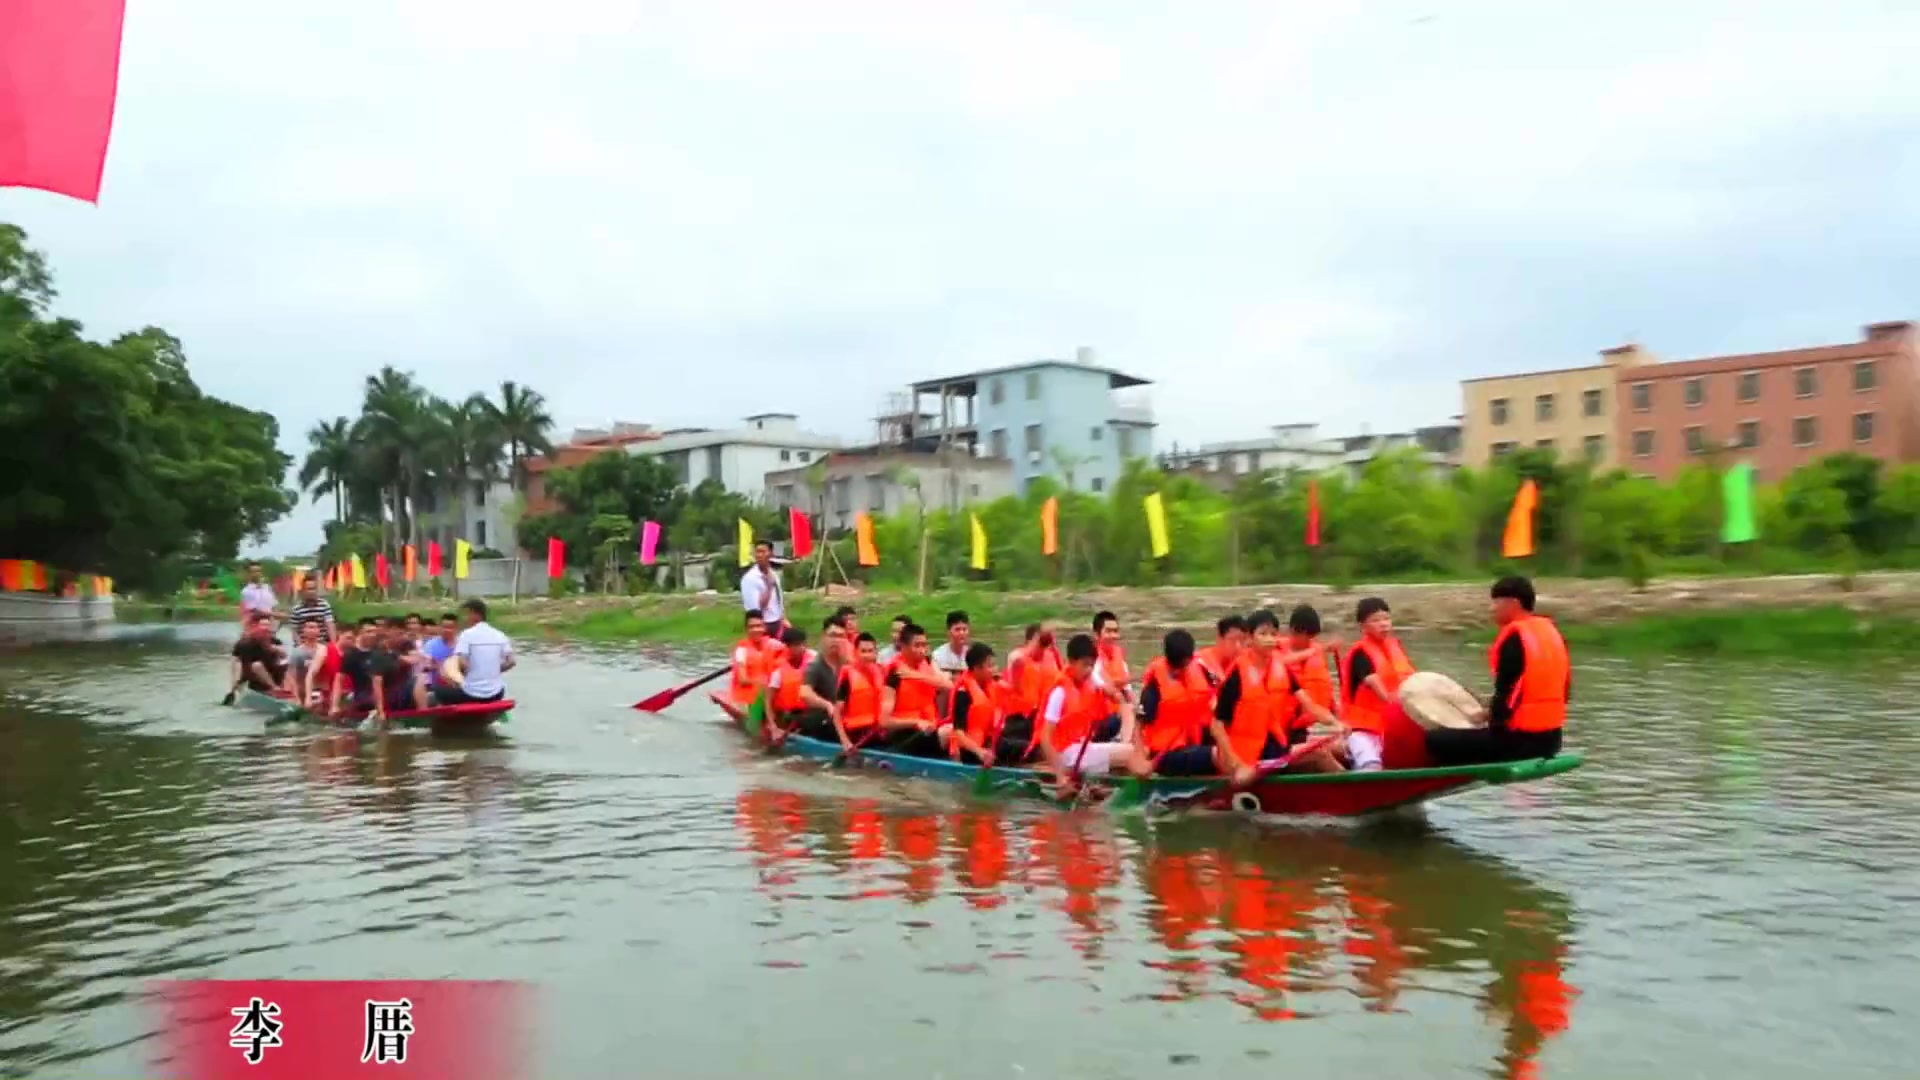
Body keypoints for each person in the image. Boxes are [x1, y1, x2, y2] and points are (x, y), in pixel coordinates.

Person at [1426, 576, 1568, 765]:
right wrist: (1489, 710)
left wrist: (1485, 718)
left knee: (1435, 739)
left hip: (1519, 742)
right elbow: (1558, 691)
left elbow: (1505, 696)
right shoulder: (1551, 633)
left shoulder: (1515, 637)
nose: (1491, 609)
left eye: (1496, 603)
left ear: (1513, 603)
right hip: (1552, 740)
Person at [1036, 633, 1147, 786]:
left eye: (1091, 665)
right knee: (1131, 753)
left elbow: (1115, 695)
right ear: (1071, 662)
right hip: (1066, 755)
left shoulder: (1089, 681)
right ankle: (1146, 789)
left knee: (1140, 751)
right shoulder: (1059, 692)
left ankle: (1115, 789)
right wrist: (1060, 775)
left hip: (1081, 749)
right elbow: (1045, 738)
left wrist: (1121, 698)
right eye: (1085, 664)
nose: (1089, 670)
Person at [1209, 609, 1297, 785]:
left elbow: (1306, 701)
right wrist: (1237, 764)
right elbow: (1216, 725)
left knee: (1321, 753)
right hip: (1242, 754)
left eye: (1273, 634)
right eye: (1263, 634)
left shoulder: (1280, 666)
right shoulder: (1237, 675)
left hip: (1270, 746)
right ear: (1249, 638)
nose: (1270, 639)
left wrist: (1334, 723)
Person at [1342, 598, 1414, 772]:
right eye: (1375, 620)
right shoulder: (1361, 653)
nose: (1383, 624)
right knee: (1372, 766)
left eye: (1386, 619)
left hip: (1391, 729)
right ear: (1363, 626)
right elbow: (1379, 688)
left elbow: (1414, 683)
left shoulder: (1396, 647)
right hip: (1363, 731)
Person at [1141, 629, 1221, 777]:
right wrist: (1141, 761)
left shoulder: (1203, 672)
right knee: (1218, 754)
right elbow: (1140, 726)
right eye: (1173, 667)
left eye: (1182, 666)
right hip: (1166, 754)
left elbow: (1218, 704)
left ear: (1190, 658)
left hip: (1196, 741)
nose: (1178, 671)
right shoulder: (1154, 686)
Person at [1277, 605, 1346, 773]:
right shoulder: (1273, 651)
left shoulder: (1315, 651)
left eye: (1312, 637)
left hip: (1300, 732)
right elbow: (1280, 663)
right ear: (1292, 630)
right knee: (1322, 754)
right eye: (1305, 636)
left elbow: (1326, 697)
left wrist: (1340, 719)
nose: (1309, 641)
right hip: (1279, 736)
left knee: (1343, 749)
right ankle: (1353, 787)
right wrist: (1317, 649)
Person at [880, 622, 949, 756]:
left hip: (928, 728)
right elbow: (884, 721)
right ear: (903, 647)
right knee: (947, 733)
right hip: (903, 736)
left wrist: (915, 675)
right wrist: (916, 722)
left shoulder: (927, 662)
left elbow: (949, 685)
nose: (922, 650)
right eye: (917, 645)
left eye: (924, 645)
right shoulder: (895, 675)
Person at [437, 597, 514, 705]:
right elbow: (511, 662)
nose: (464, 618)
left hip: (472, 694)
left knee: (438, 691)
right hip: (497, 693)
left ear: (474, 613)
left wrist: (458, 677)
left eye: (466, 614)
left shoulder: (467, 635)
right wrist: (494, 670)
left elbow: (463, 663)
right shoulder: (500, 635)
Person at [1000, 623, 1061, 758]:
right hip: (1018, 720)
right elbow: (1017, 660)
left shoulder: (1050, 657)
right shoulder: (1017, 656)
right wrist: (1034, 643)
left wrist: (1051, 643)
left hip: (1042, 719)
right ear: (1029, 641)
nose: (1042, 647)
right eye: (1040, 642)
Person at [943, 643, 1007, 766]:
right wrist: (980, 752)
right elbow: (958, 733)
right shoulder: (963, 693)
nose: (995, 669)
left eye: (994, 665)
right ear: (977, 668)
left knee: (1024, 746)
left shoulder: (989, 686)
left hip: (987, 742)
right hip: (968, 750)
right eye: (990, 666)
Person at [790, 615, 851, 741]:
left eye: (841, 637)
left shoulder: (850, 664)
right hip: (821, 720)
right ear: (824, 636)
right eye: (832, 635)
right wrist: (827, 705)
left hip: (844, 718)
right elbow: (805, 693)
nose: (836, 640)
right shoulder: (815, 665)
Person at [712, 610, 781, 719]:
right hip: (748, 699)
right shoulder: (741, 651)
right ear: (746, 629)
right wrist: (766, 683)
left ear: (764, 627)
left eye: (759, 626)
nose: (755, 630)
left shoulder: (774, 644)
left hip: (769, 695)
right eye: (751, 627)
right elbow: (743, 679)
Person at [831, 632, 887, 753]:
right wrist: (845, 741)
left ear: (876, 652)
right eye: (863, 651)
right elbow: (836, 714)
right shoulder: (848, 676)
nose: (867, 655)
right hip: (855, 733)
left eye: (870, 651)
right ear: (855, 653)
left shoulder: (882, 672)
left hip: (876, 731)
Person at [763, 627, 815, 745]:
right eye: (796, 645)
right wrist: (773, 726)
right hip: (789, 715)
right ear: (787, 647)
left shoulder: (814, 662)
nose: (801, 648)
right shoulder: (778, 671)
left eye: (803, 644)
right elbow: (768, 700)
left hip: (811, 712)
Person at [226, 613, 289, 699]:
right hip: (252, 676)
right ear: (256, 627)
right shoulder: (244, 643)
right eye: (263, 625)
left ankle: (285, 689)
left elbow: (284, 657)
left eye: (268, 625)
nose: (265, 628)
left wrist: (275, 649)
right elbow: (235, 662)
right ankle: (275, 688)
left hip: (272, 672)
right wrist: (234, 682)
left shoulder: (275, 642)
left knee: (288, 664)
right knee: (257, 665)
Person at [329, 618, 384, 718]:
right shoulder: (351, 655)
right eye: (368, 632)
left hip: (386, 693)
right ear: (360, 634)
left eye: (374, 632)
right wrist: (335, 706)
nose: (373, 635)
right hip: (364, 697)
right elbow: (339, 680)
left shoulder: (379, 651)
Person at [739, 540, 786, 635]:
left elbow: (778, 599)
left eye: (763, 552)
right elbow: (755, 609)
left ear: (770, 554)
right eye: (757, 552)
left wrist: (783, 618)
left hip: (777, 622)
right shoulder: (750, 578)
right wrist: (768, 587)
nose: (759, 555)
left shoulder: (773, 574)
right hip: (762, 625)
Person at [1091, 610, 1132, 701]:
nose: (1113, 635)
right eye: (1108, 631)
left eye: (1115, 631)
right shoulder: (1090, 657)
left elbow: (1128, 688)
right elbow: (1098, 681)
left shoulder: (1119, 654)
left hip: (1119, 708)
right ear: (1096, 635)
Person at [1197, 615, 1247, 681]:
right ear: (1219, 638)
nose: (1238, 646)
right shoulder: (1200, 663)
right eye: (1232, 640)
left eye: (1242, 641)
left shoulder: (1247, 659)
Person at [288, 577, 336, 642]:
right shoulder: (297, 609)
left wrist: (333, 645)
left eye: (313, 589)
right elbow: (295, 631)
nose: (312, 592)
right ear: (303, 591)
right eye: (309, 589)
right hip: (304, 644)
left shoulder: (324, 605)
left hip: (321, 644)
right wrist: (300, 646)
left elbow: (330, 626)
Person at [421, 613, 458, 689]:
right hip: (435, 687)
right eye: (444, 627)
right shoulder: (430, 645)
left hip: (457, 686)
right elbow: (424, 667)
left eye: (450, 627)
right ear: (439, 627)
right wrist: (438, 667)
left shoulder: (462, 645)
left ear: (456, 628)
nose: (447, 630)